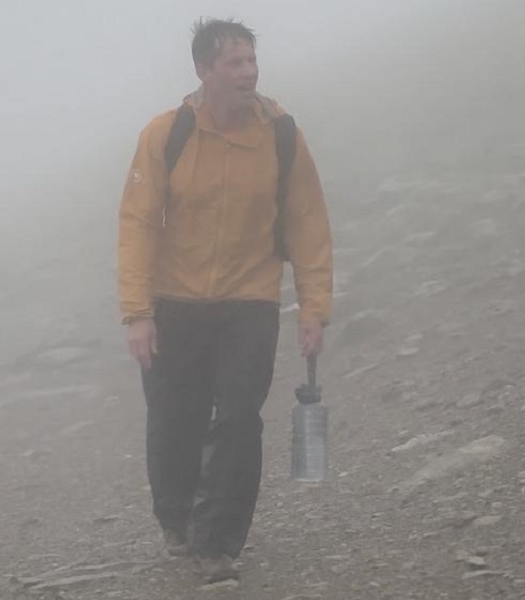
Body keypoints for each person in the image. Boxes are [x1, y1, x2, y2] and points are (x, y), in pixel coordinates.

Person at [117, 17, 333, 583]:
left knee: (239, 418)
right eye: (234, 62)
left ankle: (218, 542)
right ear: (203, 70)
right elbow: (138, 222)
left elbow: (307, 222)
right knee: (175, 420)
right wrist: (138, 313)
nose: (248, 72)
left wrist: (314, 308)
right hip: (175, 299)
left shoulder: (280, 134)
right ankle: (177, 518)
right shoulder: (168, 133)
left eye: (250, 60)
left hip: (249, 298)